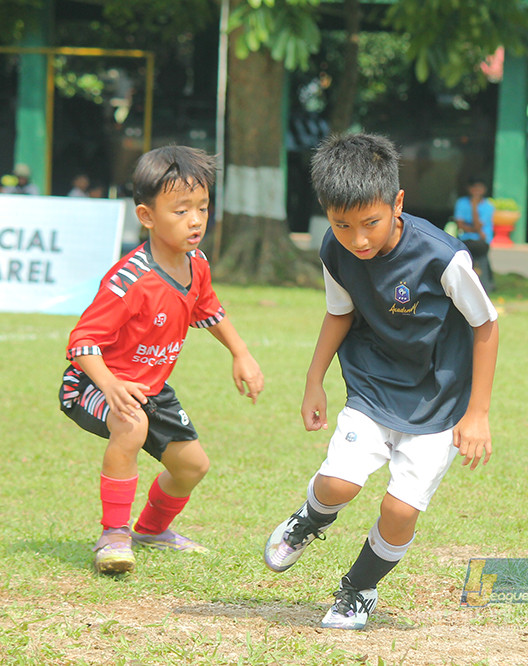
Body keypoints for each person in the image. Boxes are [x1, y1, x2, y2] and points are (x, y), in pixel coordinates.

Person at [263, 133, 499, 630]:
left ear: (397, 203)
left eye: (370, 223)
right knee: (337, 483)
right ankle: (309, 519)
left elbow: (485, 325)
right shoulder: (336, 249)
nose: (359, 239)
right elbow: (338, 312)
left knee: (399, 511)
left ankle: (358, 589)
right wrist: (314, 380)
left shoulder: (444, 257)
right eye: (342, 225)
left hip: (439, 402)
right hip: (373, 386)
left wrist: (477, 414)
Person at [59, 146, 264, 575]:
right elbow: (82, 342)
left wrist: (240, 353)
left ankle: (150, 531)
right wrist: (111, 386)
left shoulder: (198, 265)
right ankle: (113, 535)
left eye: (203, 208)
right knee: (131, 425)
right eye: (181, 210)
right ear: (147, 216)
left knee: (192, 467)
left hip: (151, 389)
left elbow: (209, 310)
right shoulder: (129, 279)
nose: (195, 220)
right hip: (92, 383)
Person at [452, 176, 495, 292]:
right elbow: (460, 225)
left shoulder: (488, 206)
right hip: (465, 239)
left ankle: (486, 284)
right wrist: (472, 229)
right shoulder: (461, 202)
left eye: (479, 188)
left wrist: (474, 206)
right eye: (474, 188)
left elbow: (477, 226)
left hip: (480, 241)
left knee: (480, 252)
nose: (476, 191)